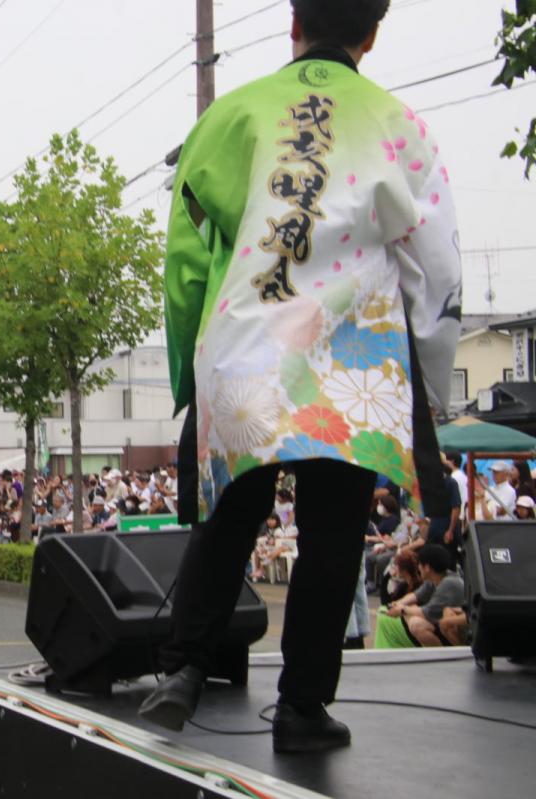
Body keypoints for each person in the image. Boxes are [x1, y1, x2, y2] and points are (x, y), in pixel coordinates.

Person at [139, 0, 460, 754]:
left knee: (231, 515)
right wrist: (430, 395)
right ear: (370, 34)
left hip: (243, 344)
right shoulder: (398, 126)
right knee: (332, 535)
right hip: (348, 361)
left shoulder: (226, 119)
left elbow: (186, 261)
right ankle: (301, 707)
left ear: (293, 22)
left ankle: (182, 668)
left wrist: (191, 376)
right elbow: (436, 273)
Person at [380, 544, 465, 646]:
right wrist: (397, 604)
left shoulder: (449, 583)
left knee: (416, 624)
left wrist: (402, 609)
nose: (418, 568)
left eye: (419, 564)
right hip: (447, 627)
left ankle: (441, 657)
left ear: (427, 567)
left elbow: (427, 612)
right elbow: (416, 595)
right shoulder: (437, 577)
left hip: (461, 632)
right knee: (411, 613)